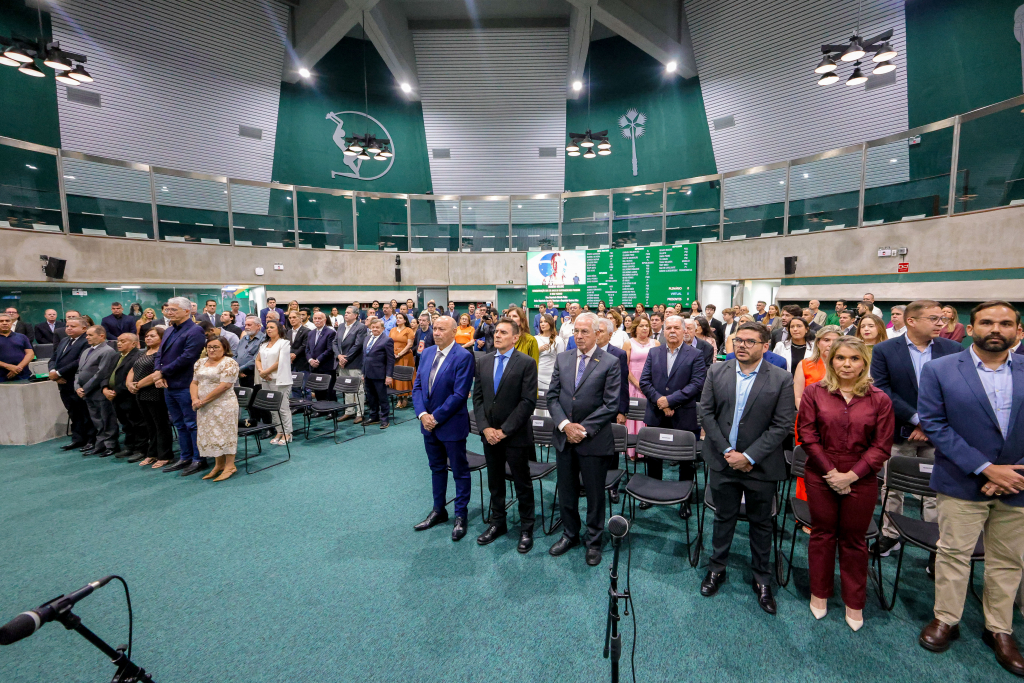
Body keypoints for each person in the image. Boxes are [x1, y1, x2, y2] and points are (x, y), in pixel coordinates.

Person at [916, 301, 1024, 674]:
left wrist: (1013, 473)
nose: (997, 329)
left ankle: (1000, 628)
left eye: (1006, 323)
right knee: (953, 554)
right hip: (963, 479)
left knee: (1008, 560)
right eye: (988, 322)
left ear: (1017, 330)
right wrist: (987, 469)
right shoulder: (941, 369)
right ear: (971, 327)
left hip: (1019, 483)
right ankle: (946, 617)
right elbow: (934, 423)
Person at [697, 322, 795, 614]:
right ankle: (717, 568)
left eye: (750, 341)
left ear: (765, 346)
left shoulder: (781, 378)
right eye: (738, 340)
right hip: (723, 461)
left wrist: (749, 456)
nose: (742, 345)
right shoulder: (717, 371)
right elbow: (706, 413)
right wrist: (728, 451)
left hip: (760, 466)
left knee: (761, 523)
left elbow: (782, 426)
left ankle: (762, 578)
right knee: (723, 517)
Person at [799, 336, 894, 631]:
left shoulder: (880, 398)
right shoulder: (814, 392)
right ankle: (820, 593)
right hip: (820, 474)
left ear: (864, 362)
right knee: (822, 534)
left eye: (854, 358)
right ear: (831, 360)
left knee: (854, 541)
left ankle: (854, 601)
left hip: (861, 478)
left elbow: (882, 446)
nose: (846, 364)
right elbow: (808, 435)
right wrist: (832, 473)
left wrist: (851, 476)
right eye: (840, 358)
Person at [870, 300, 962, 559]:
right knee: (892, 487)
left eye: (942, 319)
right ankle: (890, 534)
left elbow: (958, 392)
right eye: (934, 319)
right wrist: (915, 418)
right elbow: (883, 390)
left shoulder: (953, 349)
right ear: (911, 321)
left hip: (940, 435)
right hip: (900, 430)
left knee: (936, 491)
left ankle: (935, 540)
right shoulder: (885, 350)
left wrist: (929, 424)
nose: (941, 323)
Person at [546, 313, 621, 566]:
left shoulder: (610, 361)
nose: (578, 336)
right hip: (565, 438)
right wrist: (566, 426)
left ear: (598, 333)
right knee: (566, 492)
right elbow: (552, 397)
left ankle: (594, 541)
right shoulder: (563, 358)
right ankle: (570, 535)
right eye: (576, 331)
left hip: (594, 440)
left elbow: (611, 405)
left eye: (584, 332)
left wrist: (582, 429)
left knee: (594, 495)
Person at [473, 317, 539, 552]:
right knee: (495, 483)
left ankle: (526, 528)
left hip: (515, 435)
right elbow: (477, 398)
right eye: (496, 332)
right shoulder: (483, 361)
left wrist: (504, 431)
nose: (497, 335)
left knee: (522, 484)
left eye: (503, 332)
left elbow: (528, 402)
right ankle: (497, 523)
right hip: (489, 435)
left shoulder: (526, 363)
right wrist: (485, 428)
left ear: (515, 337)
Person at [412, 316, 476, 541]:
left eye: (441, 329)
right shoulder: (427, 352)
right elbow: (417, 386)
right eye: (435, 329)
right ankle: (439, 510)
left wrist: (435, 417)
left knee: (459, 471)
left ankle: (461, 515)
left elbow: (460, 395)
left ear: (454, 332)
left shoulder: (463, 357)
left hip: (451, 424)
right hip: (427, 424)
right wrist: (422, 415)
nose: (436, 332)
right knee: (436, 468)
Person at [638, 314, 704, 500]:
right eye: (669, 328)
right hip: (656, 413)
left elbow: (697, 384)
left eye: (676, 328)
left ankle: (685, 498)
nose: (672, 331)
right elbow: (645, 381)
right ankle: (651, 493)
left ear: (684, 331)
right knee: (653, 457)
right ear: (663, 331)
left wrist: (671, 401)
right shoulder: (654, 352)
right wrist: (660, 401)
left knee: (685, 461)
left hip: (683, 414)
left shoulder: (696, 355)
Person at [153, 297, 207, 476]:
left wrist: (163, 372)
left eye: (173, 310)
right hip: (169, 384)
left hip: (186, 384)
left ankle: (198, 459)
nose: (169, 313)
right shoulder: (168, 330)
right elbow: (159, 354)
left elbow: (188, 357)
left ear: (187, 311)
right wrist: (158, 373)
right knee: (179, 424)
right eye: (168, 310)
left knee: (192, 424)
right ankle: (185, 457)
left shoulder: (195, 330)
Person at [190, 337, 240, 481]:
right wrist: (195, 399)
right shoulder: (200, 362)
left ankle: (230, 465)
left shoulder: (229, 363)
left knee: (225, 433)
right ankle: (219, 465)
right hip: (203, 405)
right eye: (209, 347)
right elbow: (194, 382)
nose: (211, 350)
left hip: (223, 405)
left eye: (216, 347)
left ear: (224, 348)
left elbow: (225, 386)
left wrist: (203, 401)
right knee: (213, 434)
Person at [127, 326, 174, 469]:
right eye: (147, 336)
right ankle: (152, 453)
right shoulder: (144, 353)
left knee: (161, 425)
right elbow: (133, 369)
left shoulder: (162, 353)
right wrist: (129, 383)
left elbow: (157, 374)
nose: (148, 338)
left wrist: (138, 385)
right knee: (150, 425)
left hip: (155, 392)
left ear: (162, 338)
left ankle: (165, 455)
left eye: (152, 336)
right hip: (140, 393)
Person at [48, 319, 95, 451]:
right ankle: (78, 439)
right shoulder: (64, 341)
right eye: (67, 326)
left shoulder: (86, 342)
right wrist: (53, 371)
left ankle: (91, 440)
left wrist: (58, 372)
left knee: (85, 413)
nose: (68, 328)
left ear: (84, 328)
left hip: (77, 382)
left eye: (73, 326)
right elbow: (54, 358)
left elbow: (79, 361)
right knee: (73, 413)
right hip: (63, 384)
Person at [75, 325, 120, 457]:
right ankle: (100, 444)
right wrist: (77, 387)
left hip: (99, 391)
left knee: (107, 419)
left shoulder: (107, 351)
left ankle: (111, 445)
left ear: (101, 336)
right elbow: (79, 371)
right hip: (87, 392)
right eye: (87, 335)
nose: (87, 337)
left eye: (90, 335)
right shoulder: (86, 351)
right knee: (97, 420)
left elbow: (101, 373)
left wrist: (86, 388)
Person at [103, 333, 147, 460]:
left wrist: (116, 390)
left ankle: (141, 449)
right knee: (125, 423)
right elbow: (107, 374)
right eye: (118, 341)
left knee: (137, 424)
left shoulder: (138, 356)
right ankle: (129, 447)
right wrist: (105, 388)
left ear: (134, 343)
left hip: (129, 396)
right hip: (115, 396)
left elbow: (135, 378)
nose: (119, 343)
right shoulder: (116, 356)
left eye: (123, 341)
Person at [255, 320, 293, 445]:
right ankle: (279, 431)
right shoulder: (264, 344)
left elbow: (280, 361)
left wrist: (265, 372)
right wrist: (262, 371)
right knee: (272, 409)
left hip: (280, 380)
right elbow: (258, 359)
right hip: (266, 379)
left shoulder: (284, 343)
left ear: (279, 329)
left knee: (282, 408)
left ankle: (287, 433)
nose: (269, 329)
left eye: (272, 327)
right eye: (267, 328)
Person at [334, 306, 367, 423]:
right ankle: (349, 411)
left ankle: (360, 412)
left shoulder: (361, 327)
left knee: (358, 389)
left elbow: (358, 345)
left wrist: (345, 358)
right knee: (347, 388)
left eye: (348, 313)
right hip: (342, 362)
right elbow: (334, 342)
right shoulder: (342, 326)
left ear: (356, 315)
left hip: (354, 362)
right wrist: (339, 356)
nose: (345, 315)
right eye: (345, 312)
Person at [362, 317, 395, 428]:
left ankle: (385, 419)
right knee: (371, 397)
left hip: (380, 374)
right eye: (373, 327)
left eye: (377, 327)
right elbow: (364, 357)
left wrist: (389, 375)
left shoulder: (387, 340)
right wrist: (363, 372)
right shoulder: (366, 339)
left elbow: (390, 360)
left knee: (382, 398)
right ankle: (373, 417)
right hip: (368, 374)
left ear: (382, 328)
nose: (375, 329)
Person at [305, 312, 337, 400]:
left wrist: (318, 360)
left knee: (329, 389)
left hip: (326, 366)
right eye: (315, 318)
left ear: (325, 320)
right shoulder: (311, 333)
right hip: (314, 367)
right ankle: (320, 409)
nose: (317, 320)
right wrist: (310, 360)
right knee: (318, 389)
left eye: (319, 318)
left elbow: (330, 349)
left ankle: (331, 410)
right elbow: (307, 349)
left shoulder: (330, 332)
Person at [390, 312, 416, 410]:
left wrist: (400, 354)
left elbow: (409, 344)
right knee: (396, 377)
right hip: (394, 356)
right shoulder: (392, 330)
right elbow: (389, 342)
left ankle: (405, 398)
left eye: (400, 318)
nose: (398, 319)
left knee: (404, 377)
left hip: (405, 356)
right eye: (397, 318)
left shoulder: (408, 330)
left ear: (405, 320)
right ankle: (398, 398)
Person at [0, 312, 34, 382]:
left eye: (7, 321)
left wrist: (18, 368)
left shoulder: (22, 337)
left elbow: (30, 354)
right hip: (1, 377)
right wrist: (8, 366)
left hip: (22, 375)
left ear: (12, 323)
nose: (4, 323)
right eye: (1, 321)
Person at [536, 314, 564, 393]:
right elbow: (529, 357)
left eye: (545, 321)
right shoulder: (535, 339)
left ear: (551, 323)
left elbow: (561, 360)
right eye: (541, 322)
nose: (542, 324)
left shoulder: (558, 340)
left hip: (552, 376)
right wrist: (538, 350)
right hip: (537, 375)